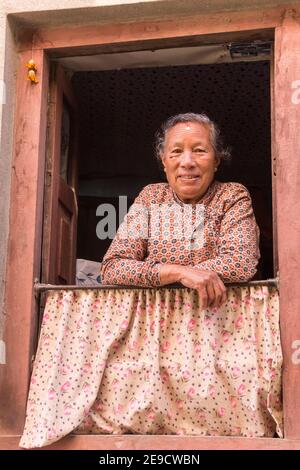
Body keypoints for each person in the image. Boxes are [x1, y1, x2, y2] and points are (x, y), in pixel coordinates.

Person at [101, 113, 260, 310]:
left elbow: (240, 263)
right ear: (164, 162)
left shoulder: (231, 195)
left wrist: (161, 273)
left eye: (199, 150)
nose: (187, 162)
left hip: (217, 319)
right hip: (154, 319)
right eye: (176, 151)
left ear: (216, 160)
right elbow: (113, 267)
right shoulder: (151, 197)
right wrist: (180, 273)